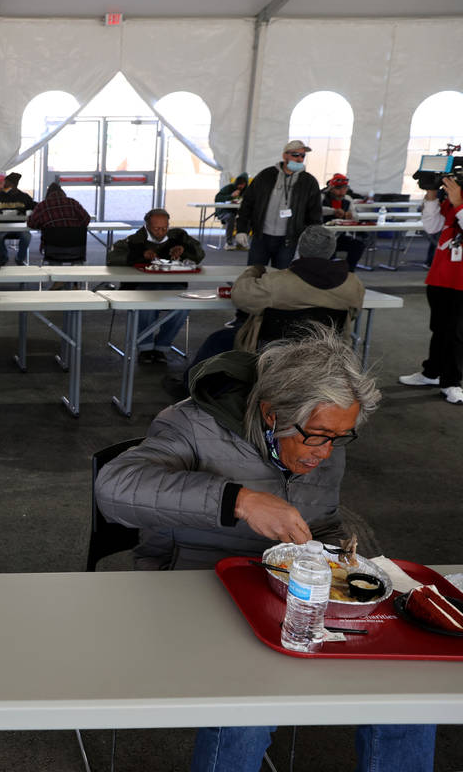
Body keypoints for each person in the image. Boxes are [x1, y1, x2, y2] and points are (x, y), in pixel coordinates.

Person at [94, 329, 435, 771]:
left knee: (408, 692)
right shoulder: (192, 423)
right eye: (316, 436)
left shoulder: (325, 437)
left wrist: (344, 558)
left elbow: (324, 519)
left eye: (339, 438)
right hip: (196, 582)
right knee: (249, 706)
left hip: (291, 590)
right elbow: (115, 489)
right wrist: (239, 500)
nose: (324, 454)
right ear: (272, 414)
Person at [230, 224, 365, 351]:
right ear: (331, 250)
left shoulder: (276, 283)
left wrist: (254, 270)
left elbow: (239, 295)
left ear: (299, 248)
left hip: (275, 355)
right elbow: (353, 314)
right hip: (328, 356)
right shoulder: (353, 284)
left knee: (216, 341)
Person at [108, 208, 205, 364]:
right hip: (140, 285)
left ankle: (162, 346)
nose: (161, 232)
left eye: (165, 228)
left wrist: (184, 251)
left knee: (184, 305)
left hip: (172, 285)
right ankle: (145, 348)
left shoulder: (179, 237)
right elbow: (112, 258)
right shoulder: (133, 240)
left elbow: (200, 254)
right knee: (147, 302)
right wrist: (140, 256)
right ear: (147, 226)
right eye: (156, 228)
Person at [399, 175, 463, 405]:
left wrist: (458, 203)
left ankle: (452, 382)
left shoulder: (457, 201)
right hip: (441, 275)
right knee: (440, 328)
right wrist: (432, 195)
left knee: (456, 333)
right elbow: (431, 226)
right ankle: (431, 373)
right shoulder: (453, 200)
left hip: (460, 280)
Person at [234, 140, 322, 268]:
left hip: (289, 240)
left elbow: (315, 214)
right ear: (284, 155)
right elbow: (248, 203)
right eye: (295, 155)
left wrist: (311, 239)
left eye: (302, 156)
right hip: (261, 237)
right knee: (253, 276)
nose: (299, 159)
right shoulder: (265, 175)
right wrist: (242, 229)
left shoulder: (309, 182)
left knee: (281, 278)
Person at [27, 182, 91, 265]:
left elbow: (31, 223)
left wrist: (43, 224)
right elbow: (86, 219)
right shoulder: (73, 202)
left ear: (48, 194)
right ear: (63, 192)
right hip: (76, 249)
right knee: (76, 262)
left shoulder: (42, 205)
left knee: (54, 259)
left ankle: (55, 273)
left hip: (52, 250)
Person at [0, 172, 36, 265]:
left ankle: (20, 258)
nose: (5, 185)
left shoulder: (24, 197)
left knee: (27, 237)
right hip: (1, 226)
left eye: (7, 183)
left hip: (20, 227)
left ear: (14, 185)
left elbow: (35, 207)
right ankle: (3, 257)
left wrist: (24, 213)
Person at [321, 173, 366, 271]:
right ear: (331, 188)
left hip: (339, 236)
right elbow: (316, 210)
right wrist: (333, 211)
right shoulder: (322, 197)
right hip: (322, 237)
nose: (341, 192)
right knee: (329, 249)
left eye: (344, 189)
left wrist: (351, 216)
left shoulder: (348, 199)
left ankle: (349, 272)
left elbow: (356, 217)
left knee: (358, 245)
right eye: (338, 189)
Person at [214, 172, 248, 246]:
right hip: (224, 212)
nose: (240, 186)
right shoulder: (229, 188)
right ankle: (229, 243)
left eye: (243, 184)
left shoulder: (246, 191)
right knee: (230, 217)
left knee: (246, 218)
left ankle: (241, 242)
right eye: (239, 184)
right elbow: (217, 198)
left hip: (238, 212)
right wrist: (230, 196)